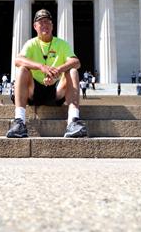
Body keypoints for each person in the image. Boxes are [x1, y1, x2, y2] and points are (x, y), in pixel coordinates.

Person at [6, 9, 88, 138]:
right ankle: (19, 122)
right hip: (34, 91)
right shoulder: (31, 43)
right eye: (41, 22)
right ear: (35, 27)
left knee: (72, 71)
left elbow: (76, 62)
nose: (45, 25)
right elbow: (17, 60)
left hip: (56, 90)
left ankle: (73, 121)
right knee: (22, 69)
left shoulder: (61, 44)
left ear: (52, 26)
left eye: (48, 22)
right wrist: (41, 67)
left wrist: (57, 71)